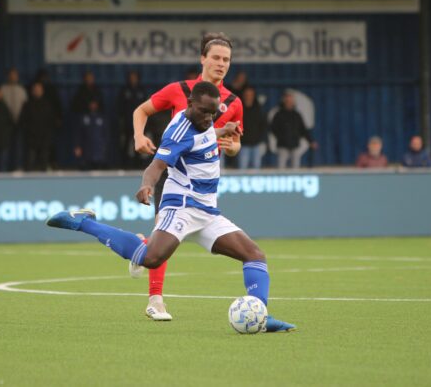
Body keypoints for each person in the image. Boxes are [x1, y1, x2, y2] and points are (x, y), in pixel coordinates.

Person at [46, 81, 295, 333]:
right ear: (189, 104)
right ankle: (84, 222)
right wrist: (147, 185)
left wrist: (223, 129)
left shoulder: (204, 121)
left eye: (212, 113)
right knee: (151, 258)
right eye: (204, 112)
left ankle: (261, 316)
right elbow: (155, 166)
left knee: (255, 255)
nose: (208, 118)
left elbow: (204, 134)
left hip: (207, 212)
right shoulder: (177, 133)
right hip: (181, 207)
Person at [131, 32, 243, 320]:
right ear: (203, 59)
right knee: (163, 229)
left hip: (204, 182)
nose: (221, 64)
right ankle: (155, 300)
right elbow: (141, 110)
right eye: (216, 58)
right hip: (173, 173)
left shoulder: (234, 101)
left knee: (164, 239)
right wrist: (139, 136)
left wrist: (232, 147)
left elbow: (236, 144)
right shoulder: (178, 90)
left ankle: (141, 247)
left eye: (226, 60)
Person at [270, 90, 317, 169]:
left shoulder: (297, 115)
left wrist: (311, 141)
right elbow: (273, 128)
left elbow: (303, 129)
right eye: (287, 100)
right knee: (280, 168)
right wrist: (281, 137)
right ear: (284, 101)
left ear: (293, 101)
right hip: (282, 146)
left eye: (290, 100)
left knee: (295, 169)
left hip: (295, 145)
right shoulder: (278, 114)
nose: (289, 102)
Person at [20, 82, 58, 171]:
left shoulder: (48, 105)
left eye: (39, 90)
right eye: (35, 90)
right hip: (31, 139)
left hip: (44, 139)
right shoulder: (27, 105)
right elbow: (23, 121)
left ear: (42, 91)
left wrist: (48, 135)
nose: (37, 91)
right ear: (32, 91)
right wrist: (29, 133)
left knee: (44, 164)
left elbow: (51, 122)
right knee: (29, 163)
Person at [116, 70, 147, 169]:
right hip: (127, 121)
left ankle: (138, 162)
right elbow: (120, 106)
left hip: (140, 122)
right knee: (126, 142)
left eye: (135, 77)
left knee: (138, 141)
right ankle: (125, 163)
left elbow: (146, 106)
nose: (133, 79)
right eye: (131, 77)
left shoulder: (141, 90)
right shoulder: (125, 90)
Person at [1, 68, 28, 170]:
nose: (13, 77)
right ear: (8, 76)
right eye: (11, 75)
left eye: (15, 75)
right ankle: (5, 168)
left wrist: (21, 120)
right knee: (5, 147)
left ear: (17, 77)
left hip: (19, 123)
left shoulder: (21, 90)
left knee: (18, 146)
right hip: (5, 124)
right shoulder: (3, 89)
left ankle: (18, 167)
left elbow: (25, 107)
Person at [73, 100, 110, 170]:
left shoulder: (102, 118)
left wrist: (105, 148)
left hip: (99, 153)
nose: (93, 105)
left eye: (94, 103)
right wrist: (77, 146)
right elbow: (79, 134)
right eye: (91, 103)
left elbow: (106, 135)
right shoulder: (84, 118)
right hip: (86, 153)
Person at [238, 86, 267, 169]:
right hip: (243, 144)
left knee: (256, 170)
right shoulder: (239, 109)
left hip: (256, 144)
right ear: (243, 96)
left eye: (251, 95)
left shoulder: (258, 109)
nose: (249, 97)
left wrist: (261, 139)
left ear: (254, 96)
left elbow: (263, 125)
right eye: (247, 95)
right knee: (242, 170)